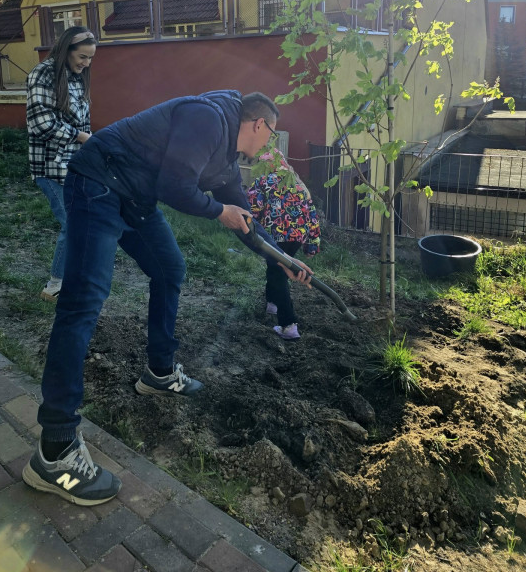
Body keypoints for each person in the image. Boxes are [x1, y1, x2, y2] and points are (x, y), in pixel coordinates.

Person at [22, 90, 313, 506]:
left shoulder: (228, 160)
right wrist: (217, 211)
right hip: (99, 182)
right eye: (270, 135)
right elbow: (176, 186)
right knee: (84, 300)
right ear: (258, 125)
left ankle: (159, 372)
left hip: (135, 197)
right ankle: (55, 449)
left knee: (169, 269)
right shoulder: (208, 118)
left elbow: (244, 220)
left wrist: (282, 259)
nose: (268, 145)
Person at [26, 27, 96, 301]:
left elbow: (83, 121)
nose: (86, 63)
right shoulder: (43, 73)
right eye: (82, 56)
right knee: (73, 223)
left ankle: (73, 277)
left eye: (90, 58)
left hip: (74, 166)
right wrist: (81, 137)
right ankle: (55, 286)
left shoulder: (77, 77)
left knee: (82, 221)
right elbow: (40, 122)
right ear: (66, 49)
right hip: (50, 168)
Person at [247, 148, 320, 340]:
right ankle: (272, 303)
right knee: (276, 269)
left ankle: (288, 325)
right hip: (297, 237)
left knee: (278, 273)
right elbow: (312, 214)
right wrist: (311, 245)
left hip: (274, 235)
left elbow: (253, 209)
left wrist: (251, 231)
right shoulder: (299, 184)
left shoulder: (263, 182)